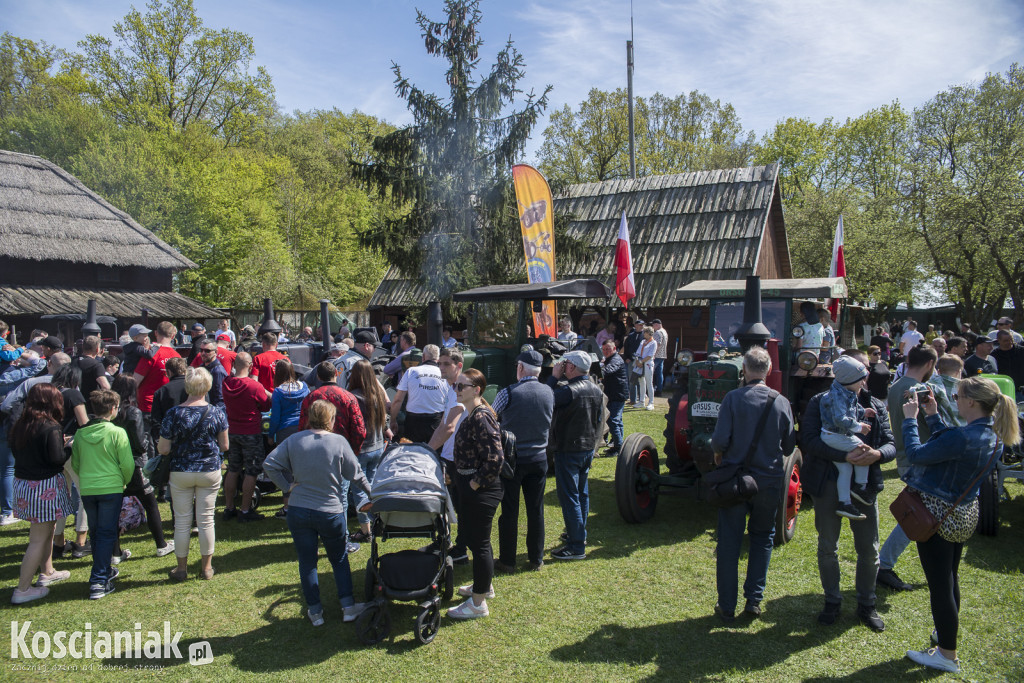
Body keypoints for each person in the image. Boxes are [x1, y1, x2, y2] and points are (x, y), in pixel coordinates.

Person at [901, 377, 1019, 673]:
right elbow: (950, 445)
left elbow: (917, 455)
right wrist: (932, 415)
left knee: (940, 586)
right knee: (950, 579)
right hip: (963, 515)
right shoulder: (991, 433)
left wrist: (910, 420)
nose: (955, 400)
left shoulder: (966, 436)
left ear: (971, 403)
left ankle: (946, 655)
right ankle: (945, 634)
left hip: (939, 516)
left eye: (956, 397)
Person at [801, 349, 894, 632]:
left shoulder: (875, 406)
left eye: (866, 371)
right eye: (860, 371)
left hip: (864, 489)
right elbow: (808, 441)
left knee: (869, 549)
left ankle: (867, 604)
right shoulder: (821, 402)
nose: (864, 378)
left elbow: (891, 445)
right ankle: (832, 601)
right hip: (828, 484)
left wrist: (876, 455)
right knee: (828, 547)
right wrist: (845, 457)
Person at [264, 399, 371, 626]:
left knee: (307, 561)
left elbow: (270, 464)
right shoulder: (339, 442)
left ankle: (315, 612)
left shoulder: (294, 440)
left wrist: (286, 486)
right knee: (339, 559)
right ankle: (348, 607)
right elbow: (357, 475)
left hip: (299, 510)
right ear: (330, 419)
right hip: (330, 512)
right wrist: (374, 494)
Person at [710, 346, 796, 622]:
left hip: (736, 480)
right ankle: (754, 601)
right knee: (762, 538)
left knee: (729, 543)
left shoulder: (733, 398)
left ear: (744, 369)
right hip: (768, 481)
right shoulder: (781, 401)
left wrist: (719, 454)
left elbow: (720, 441)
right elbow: (789, 445)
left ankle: (726, 606)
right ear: (769, 370)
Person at [158, 367, 229, 581]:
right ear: (206, 386)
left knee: (182, 521)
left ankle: (181, 568)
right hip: (208, 469)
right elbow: (224, 445)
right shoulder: (217, 412)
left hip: (181, 470)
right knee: (206, 520)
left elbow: (163, 449)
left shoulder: (173, 413)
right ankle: (207, 568)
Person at [878, 345, 939, 592]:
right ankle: (884, 565)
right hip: (920, 458)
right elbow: (936, 422)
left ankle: (938, 564)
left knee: (926, 514)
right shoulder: (918, 390)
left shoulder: (896, 386)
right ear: (930, 365)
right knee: (916, 515)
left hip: (907, 455)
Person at [446, 369, 504, 620]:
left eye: (461, 386)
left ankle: (478, 603)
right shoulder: (473, 414)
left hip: (481, 489)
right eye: (456, 386)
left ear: (476, 390)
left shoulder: (481, 417)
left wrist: (473, 484)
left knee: (479, 544)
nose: (456, 390)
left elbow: (495, 458)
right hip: (469, 484)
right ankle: (484, 585)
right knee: (475, 539)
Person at [9, 384, 74, 604]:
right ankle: (22, 589)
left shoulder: (21, 425)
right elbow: (57, 459)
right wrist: (69, 446)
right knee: (37, 539)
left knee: (47, 530)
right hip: (45, 486)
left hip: (24, 485)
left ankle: (47, 571)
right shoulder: (51, 427)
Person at [493, 349, 554, 574]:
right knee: (535, 510)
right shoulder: (549, 392)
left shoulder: (508, 392)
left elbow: (490, 419)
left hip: (512, 460)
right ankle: (536, 559)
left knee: (509, 510)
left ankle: (507, 561)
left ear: (520, 368)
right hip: (539, 458)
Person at [72, 389, 135, 599]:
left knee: (97, 532)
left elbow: (76, 463)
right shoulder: (117, 432)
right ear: (113, 409)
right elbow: (127, 464)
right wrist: (123, 481)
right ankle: (99, 580)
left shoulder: (81, 433)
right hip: (111, 487)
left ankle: (104, 570)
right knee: (107, 533)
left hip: (89, 488)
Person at [546, 350, 604, 561]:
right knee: (581, 493)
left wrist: (553, 376)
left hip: (569, 449)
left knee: (569, 496)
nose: (561, 366)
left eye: (564, 363)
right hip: (587, 446)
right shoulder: (596, 389)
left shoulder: (568, 391)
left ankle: (576, 545)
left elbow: (543, 398)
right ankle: (578, 534)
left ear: (570, 367)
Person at [110, 376, 172, 557]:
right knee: (150, 504)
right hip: (135, 464)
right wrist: (145, 443)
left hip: (114, 465)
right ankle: (161, 544)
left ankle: (115, 552)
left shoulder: (110, 412)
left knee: (114, 507)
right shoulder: (133, 412)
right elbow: (140, 443)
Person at [818, 356, 877, 520]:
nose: (863, 383)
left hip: (833, 435)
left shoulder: (846, 392)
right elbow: (840, 418)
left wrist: (863, 412)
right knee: (863, 450)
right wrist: (860, 427)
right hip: (834, 435)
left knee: (845, 468)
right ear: (849, 380)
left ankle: (844, 503)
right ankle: (860, 486)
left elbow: (852, 408)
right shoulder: (837, 396)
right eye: (860, 380)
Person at [427, 347, 469, 565]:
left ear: (458, 366)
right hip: (448, 455)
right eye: (439, 364)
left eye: (446, 364)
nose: (441, 368)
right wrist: (428, 448)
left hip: (459, 458)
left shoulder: (461, 389)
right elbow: (443, 424)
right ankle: (444, 542)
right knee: (445, 503)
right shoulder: (449, 387)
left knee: (460, 506)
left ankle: (461, 549)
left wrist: (427, 450)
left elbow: (450, 427)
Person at [222, 352, 272, 522]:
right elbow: (266, 405)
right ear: (250, 366)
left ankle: (229, 507)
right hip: (251, 432)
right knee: (251, 471)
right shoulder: (253, 386)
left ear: (235, 365)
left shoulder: (226, 383)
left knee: (233, 469)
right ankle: (245, 510)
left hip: (233, 431)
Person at [347, 359, 389, 543]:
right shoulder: (377, 394)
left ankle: (366, 531)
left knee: (360, 491)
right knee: (372, 487)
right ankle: (377, 521)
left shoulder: (352, 397)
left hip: (361, 449)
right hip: (378, 446)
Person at [269, 359, 310, 519]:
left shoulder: (278, 392)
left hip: (284, 431)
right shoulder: (304, 387)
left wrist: (271, 435)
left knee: (285, 468)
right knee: (301, 466)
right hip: (302, 429)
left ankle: (287, 506)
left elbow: (275, 417)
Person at [299, 362, 366, 453]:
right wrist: (352, 451)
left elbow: (303, 426)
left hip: (316, 449)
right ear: (336, 373)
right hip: (341, 449)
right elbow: (359, 429)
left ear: (318, 377)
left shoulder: (311, 398)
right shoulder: (348, 397)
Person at [390, 344, 447, 443]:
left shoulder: (411, 371)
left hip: (413, 421)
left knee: (412, 452)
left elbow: (398, 400)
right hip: (436, 420)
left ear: (423, 357)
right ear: (438, 358)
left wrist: (393, 420)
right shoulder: (444, 374)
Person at [133, 321, 183, 429]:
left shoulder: (150, 354)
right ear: (173, 335)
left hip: (148, 406)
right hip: (170, 405)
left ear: (156, 333)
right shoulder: (177, 356)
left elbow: (134, 382)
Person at [599, 338, 629, 456]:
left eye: (608, 349)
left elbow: (608, 371)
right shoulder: (609, 359)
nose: (606, 351)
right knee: (618, 421)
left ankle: (618, 448)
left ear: (614, 348)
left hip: (617, 395)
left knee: (613, 421)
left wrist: (598, 371)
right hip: (614, 394)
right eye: (604, 349)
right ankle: (617, 444)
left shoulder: (616, 359)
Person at [928, 355, 965, 428]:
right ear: (958, 372)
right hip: (963, 428)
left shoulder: (933, 384)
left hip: (942, 427)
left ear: (938, 371)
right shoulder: (965, 387)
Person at [990, 330, 1024, 398]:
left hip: (1021, 390)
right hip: (1004, 391)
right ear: (998, 340)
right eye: (1006, 340)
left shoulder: (1021, 351)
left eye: (1011, 339)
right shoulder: (994, 355)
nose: (1010, 342)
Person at [194, 339, 228, 407]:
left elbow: (220, 399)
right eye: (201, 350)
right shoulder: (202, 367)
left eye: (207, 351)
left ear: (216, 352)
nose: (203, 353)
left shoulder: (218, 371)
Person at [634, 326, 657, 410]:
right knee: (641, 382)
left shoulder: (653, 343)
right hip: (640, 363)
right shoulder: (643, 341)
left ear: (649, 333)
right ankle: (641, 401)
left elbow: (650, 355)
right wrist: (637, 361)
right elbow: (638, 352)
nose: (643, 334)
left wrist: (642, 362)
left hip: (648, 364)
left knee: (649, 382)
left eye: (645, 332)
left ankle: (651, 402)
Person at [623, 319, 644, 405]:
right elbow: (626, 347)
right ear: (635, 325)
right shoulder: (630, 336)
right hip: (631, 360)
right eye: (639, 325)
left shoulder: (644, 336)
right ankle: (632, 399)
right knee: (632, 381)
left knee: (641, 380)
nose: (641, 326)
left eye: (642, 325)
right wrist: (626, 358)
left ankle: (641, 399)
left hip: (641, 361)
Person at [651, 319, 669, 396]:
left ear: (657, 325)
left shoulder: (658, 332)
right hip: (663, 355)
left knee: (651, 372)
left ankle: (650, 390)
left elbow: (657, 344)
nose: (652, 327)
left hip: (657, 355)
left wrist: (653, 354)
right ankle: (659, 390)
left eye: (653, 325)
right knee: (659, 373)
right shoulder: (664, 331)